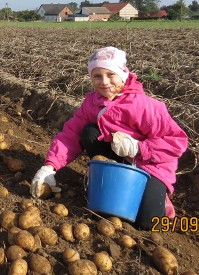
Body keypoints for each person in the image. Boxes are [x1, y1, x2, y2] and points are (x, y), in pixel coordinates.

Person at [30, 47, 188, 230]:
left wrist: (140, 148)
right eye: (97, 76)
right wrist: (49, 167)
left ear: (123, 73)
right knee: (89, 132)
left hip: (151, 166)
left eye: (110, 74)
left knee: (149, 223)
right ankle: (104, 180)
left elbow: (178, 141)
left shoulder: (145, 107)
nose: (104, 82)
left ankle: (160, 199)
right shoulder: (92, 103)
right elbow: (70, 135)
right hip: (119, 160)